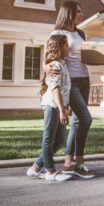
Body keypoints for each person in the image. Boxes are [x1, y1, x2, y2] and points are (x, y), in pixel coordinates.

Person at [47, 1, 95, 179]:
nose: (82, 14)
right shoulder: (57, 33)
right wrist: (46, 69)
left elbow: (84, 56)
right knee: (85, 118)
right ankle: (74, 161)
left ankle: (73, 163)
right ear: (69, 13)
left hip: (85, 79)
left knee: (77, 121)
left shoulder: (80, 33)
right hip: (71, 81)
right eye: (78, 12)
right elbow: (49, 58)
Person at [27, 35, 72, 181]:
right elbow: (55, 88)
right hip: (52, 105)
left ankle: (35, 168)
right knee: (49, 138)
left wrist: (65, 107)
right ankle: (50, 171)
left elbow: (64, 88)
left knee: (60, 140)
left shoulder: (61, 63)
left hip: (58, 105)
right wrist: (62, 110)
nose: (69, 47)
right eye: (66, 45)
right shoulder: (55, 65)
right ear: (60, 47)